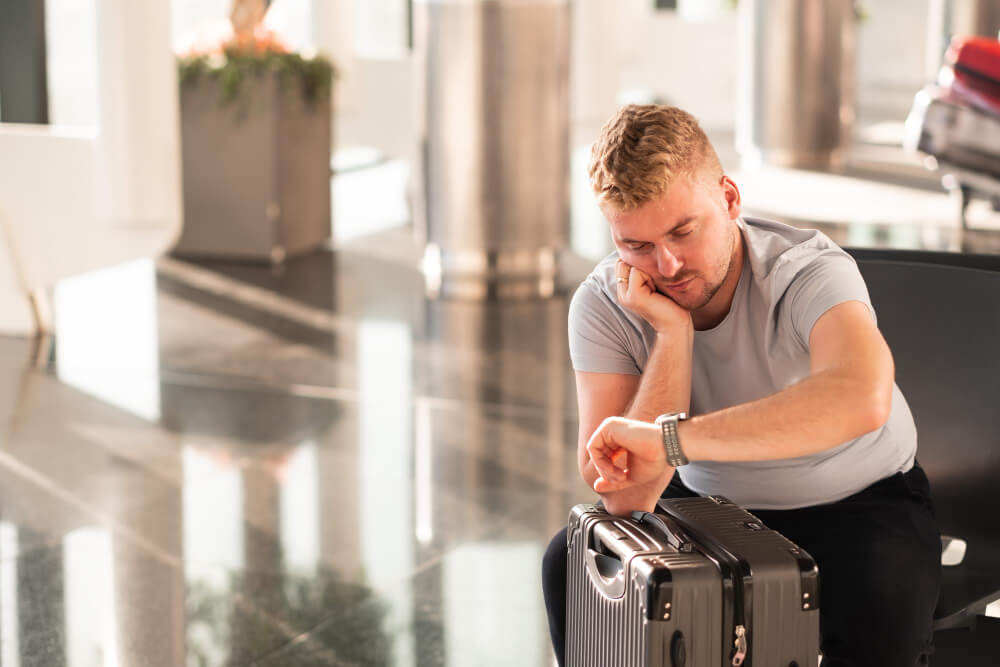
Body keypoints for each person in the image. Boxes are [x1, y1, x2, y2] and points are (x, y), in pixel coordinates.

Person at [541, 105, 941, 666]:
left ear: (729, 199)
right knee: (571, 562)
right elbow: (627, 494)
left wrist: (671, 442)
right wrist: (672, 334)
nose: (668, 264)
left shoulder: (806, 271)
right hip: (706, 505)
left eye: (683, 230)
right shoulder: (605, 302)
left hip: (856, 505)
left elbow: (861, 397)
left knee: (882, 601)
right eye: (636, 245)